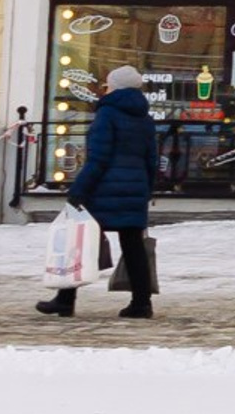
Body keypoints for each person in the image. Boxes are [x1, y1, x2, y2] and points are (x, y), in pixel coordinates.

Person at [36, 65, 159, 320]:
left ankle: (65, 299)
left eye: (109, 83)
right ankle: (141, 303)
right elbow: (151, 160)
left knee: (78, 242)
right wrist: (145, 189)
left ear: (117, 86)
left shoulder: (107, 114)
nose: (106, 87)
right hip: (134, 188)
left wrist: (79, 191)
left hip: (104, 189)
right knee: (133, 245)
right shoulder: (145, 118)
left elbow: (98, 158)